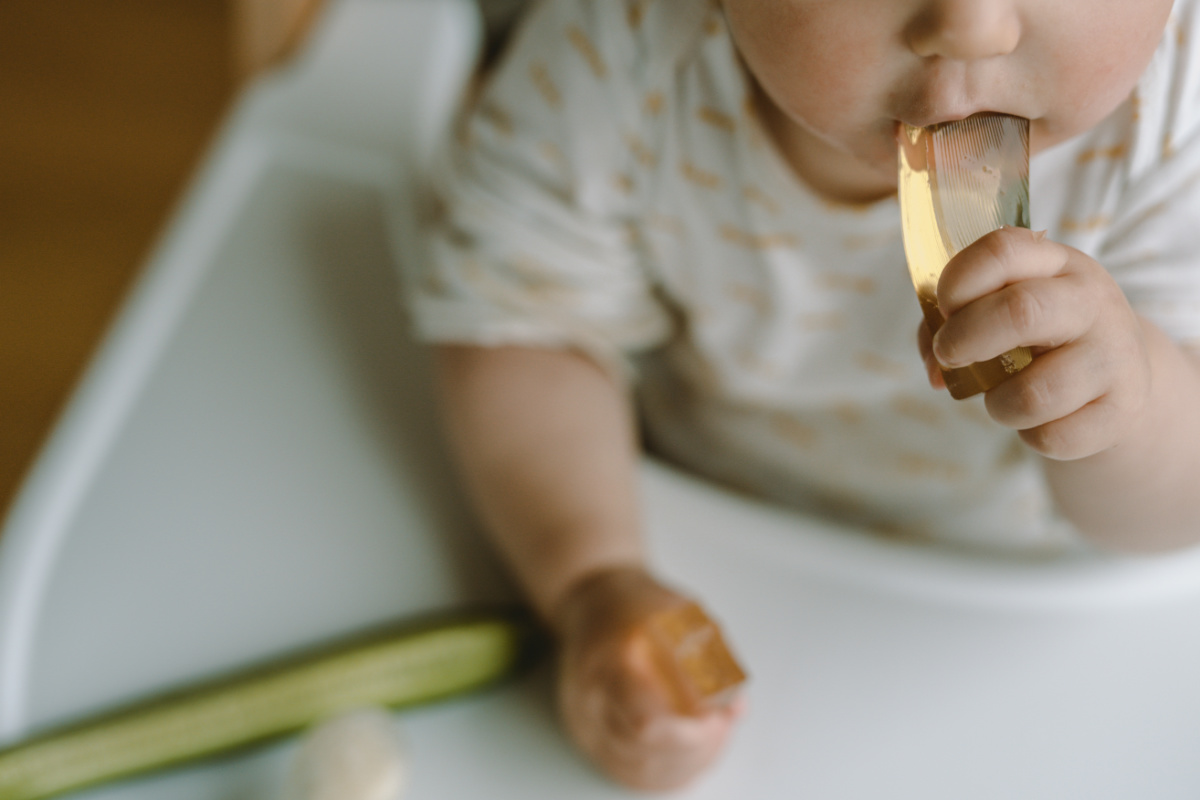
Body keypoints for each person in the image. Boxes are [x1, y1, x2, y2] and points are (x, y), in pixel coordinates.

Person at [402, 0, 1200, 790]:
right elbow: (523, 321)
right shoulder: (625, 51)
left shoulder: (1174, 113)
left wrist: (1130, 403)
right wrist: (589, 576)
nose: (971, 24)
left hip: (1007, 602)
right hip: (692, 510)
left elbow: (1180, 505)